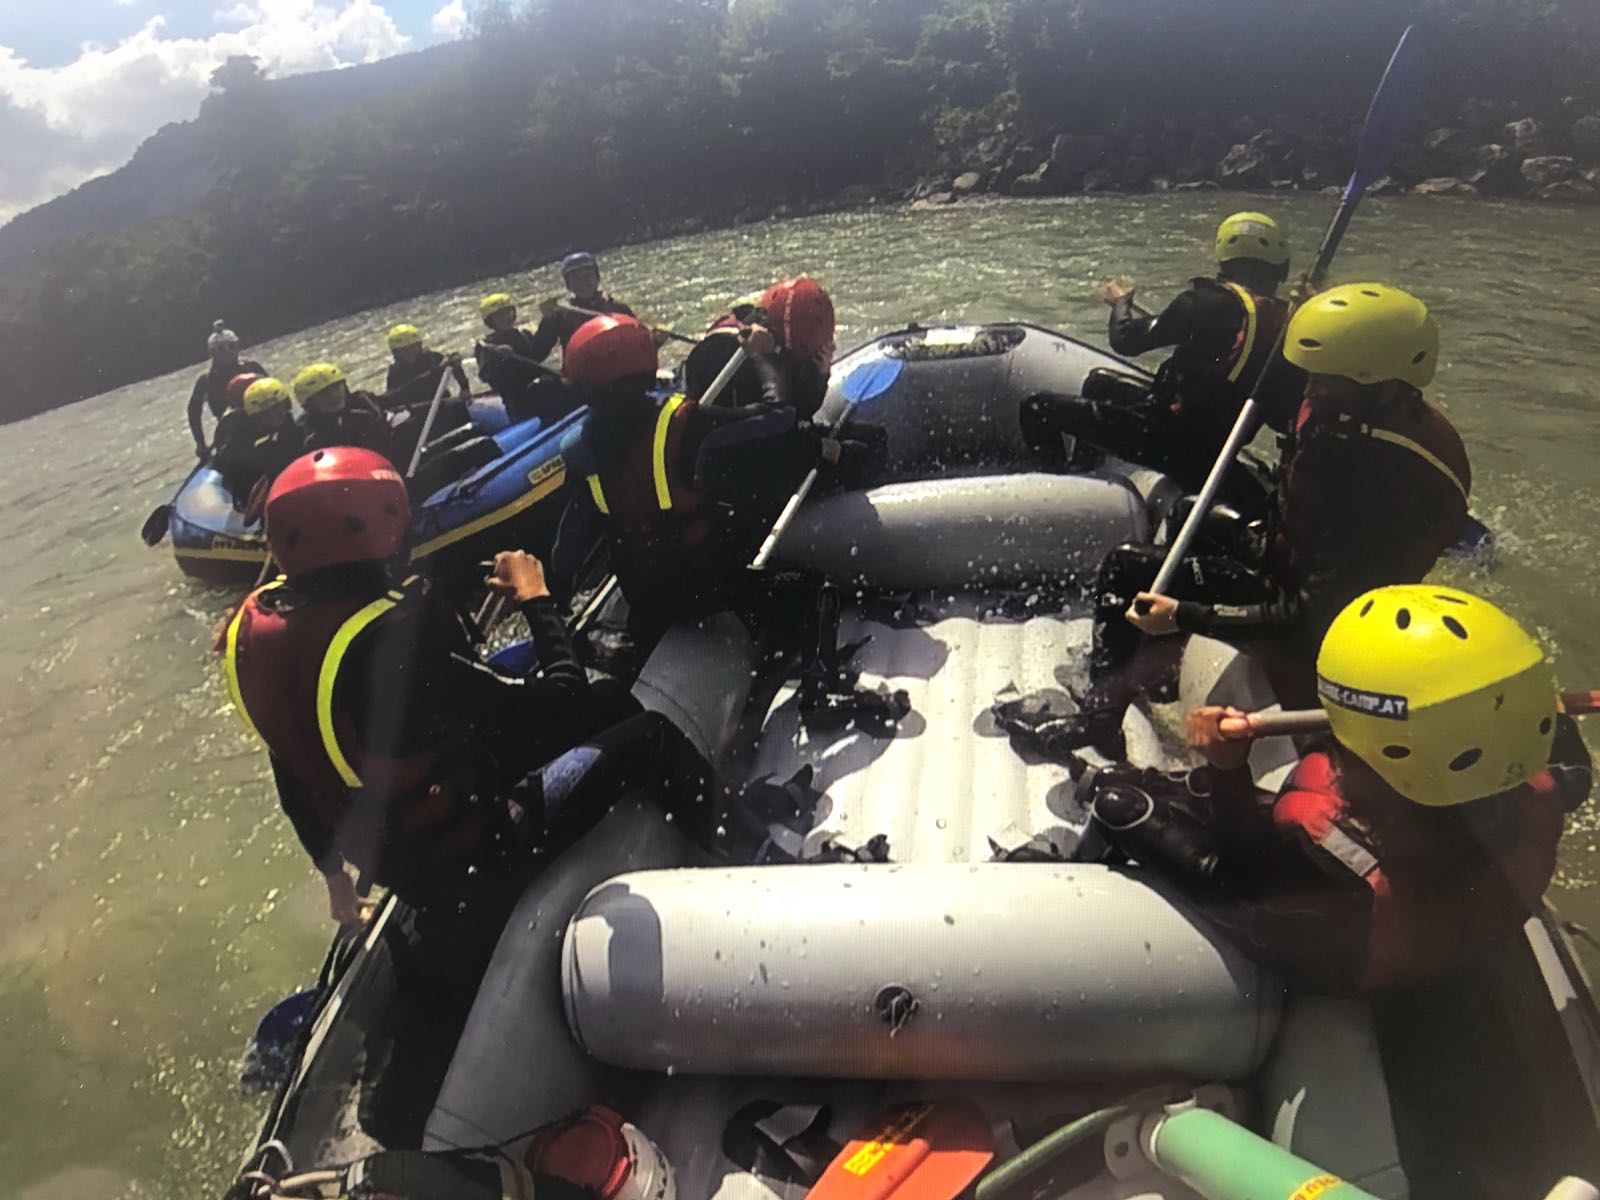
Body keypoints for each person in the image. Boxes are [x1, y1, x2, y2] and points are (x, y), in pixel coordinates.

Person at [218, 445, 704, 1142]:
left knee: (600, 710)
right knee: (645, 732)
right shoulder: (387, 641)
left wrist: (335, 884)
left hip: (395, 864)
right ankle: (721, 837)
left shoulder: (253, 637)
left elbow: (292, 778)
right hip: (476, 853)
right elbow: (563, 707)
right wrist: (538, 599)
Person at [998, 283, 1470, 758]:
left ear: (1383, 383)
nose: (1309, 390)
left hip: (1321, 617)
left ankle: (1100, 722)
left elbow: (1308, 615)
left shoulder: (1373, 474)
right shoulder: (1369, 410)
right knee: (1189, 512)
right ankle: (1160, 671)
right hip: (1288, 554)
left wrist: (1184, 614)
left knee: (1125, 568)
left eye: (1323, 381)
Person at [1080, 586, 1591, 993]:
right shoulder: (1537, 778)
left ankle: (1084, 852)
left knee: (1121, 806)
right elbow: (1566, 757)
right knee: (1199, 789)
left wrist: (1225, 765)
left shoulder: (1326, 841)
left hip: (1342, 952)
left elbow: (1241, 864)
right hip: (1457, 919)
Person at [561, 314, 844, 649]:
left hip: (643, 598)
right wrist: (763, 357)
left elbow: (565, 554)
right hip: (703, 587)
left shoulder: (582, 451)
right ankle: (816, 676)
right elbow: (781, 416)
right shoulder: (683, 423)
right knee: (817, 589)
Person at [1019, 212, 1304, 493]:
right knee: (1099, 382)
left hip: (1167, 442)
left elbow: (1126, 340)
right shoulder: (1287, 324)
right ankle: (1086, 471)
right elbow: (1282, 414)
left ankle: (1057, 494)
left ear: (1226, 259)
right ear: (1280, 269)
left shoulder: (1204, 302)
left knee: (1036, 408)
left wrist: (1120, 303)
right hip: (1215, 446)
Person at [682, 276, 837, 419]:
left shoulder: (780, 353)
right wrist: (763, 356)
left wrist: (820, 375)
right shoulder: (731, 356)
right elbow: (781, 423)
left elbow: (801, 409)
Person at [474, 292, 581, 427]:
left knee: (554, 383)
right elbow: (486, 375)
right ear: (490, 321)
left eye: (508, 312)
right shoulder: (487, 346)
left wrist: (548, 320)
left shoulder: (523, 335)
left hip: (538, 389)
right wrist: (499, 359)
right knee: (544, 386)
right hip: (519, 401)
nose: (506, 317)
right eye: (499, 315)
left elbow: (539, 352)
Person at [524, 251, 639, 363]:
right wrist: (547, 320)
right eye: (576, 279)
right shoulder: (560, 316)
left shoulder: (617, 308)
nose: (583, 282)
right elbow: (538, 354)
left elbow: (639, 341)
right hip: (579, 377)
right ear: (569, 285)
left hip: (617, 369)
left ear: (597, 278)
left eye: (587, 276)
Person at [210, 377, 305, 503]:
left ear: (285, 405)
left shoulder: (297, 427)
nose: (273, 416)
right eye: (266, 413)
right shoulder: (240, 438)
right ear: (256, 417)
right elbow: (225, 468)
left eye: (276, 408)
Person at [187, 320, 267, 462]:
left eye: (231, 346)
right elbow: (194, 412)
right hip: (231, 432)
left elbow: (275, 390)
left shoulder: (252, 368)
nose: (228, 352)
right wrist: (200, 443)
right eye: (221, 349)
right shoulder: (207, 381)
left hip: (264, 422)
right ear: (212, 353)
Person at [292, 362, 396, 462]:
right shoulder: (305, 434)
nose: (333, 395)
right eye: (323, 393)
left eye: (336, 387)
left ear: (345, 387)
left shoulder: (364, 404)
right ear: (310, 403)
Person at [382, 323, 472, 410]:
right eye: (404, 350)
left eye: (413, 347)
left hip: (442, 403)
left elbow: (454, 364)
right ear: (396, 353)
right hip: (416, 410)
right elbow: (393, 397)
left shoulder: (431, 358)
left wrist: (464, 388)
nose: (410, 352)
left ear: (419, 346)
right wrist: (435, 371)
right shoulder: (395, 372)